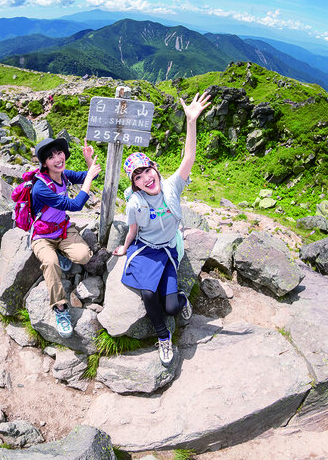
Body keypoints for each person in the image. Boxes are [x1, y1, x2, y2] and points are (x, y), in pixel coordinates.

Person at [113, 91, 211, 365]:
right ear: (134, 184)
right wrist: (125, 246)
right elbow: (133, 228)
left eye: (148, 170)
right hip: (146, 249)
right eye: (138, 176)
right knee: (147, 293)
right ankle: (163, 336)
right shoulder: (134, 202)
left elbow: (189, 156)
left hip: (168, 249)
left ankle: (182, 299)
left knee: (171, 306)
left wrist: (191, 121)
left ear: (155, 169)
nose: (146, 178)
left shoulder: (171, 187)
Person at [30, 137, 101, 338]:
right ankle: (60, 309)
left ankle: (61, 253)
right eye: (50, 157)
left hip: (62, 228)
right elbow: (75, 205)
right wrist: (87, 181)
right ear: (44, 163)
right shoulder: (41, 187)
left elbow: (90, 176)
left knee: (84, 256)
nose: (57, 158)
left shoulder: (63, 175)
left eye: (59, 153)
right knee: (51, 264)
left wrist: (89, 160)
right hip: (42, 236)